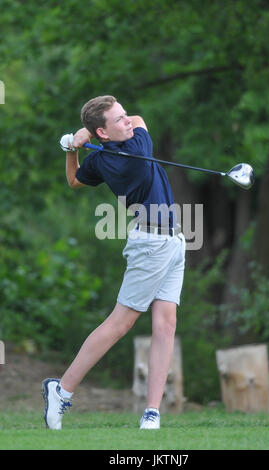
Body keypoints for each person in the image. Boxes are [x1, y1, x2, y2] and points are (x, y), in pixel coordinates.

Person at [42, 95, 186, 430]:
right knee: (120, 323)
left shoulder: (103, 158)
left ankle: (152, 412)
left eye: (123, 116)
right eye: (118, 119)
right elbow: (140, 120)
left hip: (173, 239)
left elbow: (75, 179)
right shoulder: (137, 148)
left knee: (166, 324)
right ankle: (61, 390)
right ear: (104, 132)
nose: (127, 120)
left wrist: (73, 147)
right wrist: (82, 137)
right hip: (153, 244)